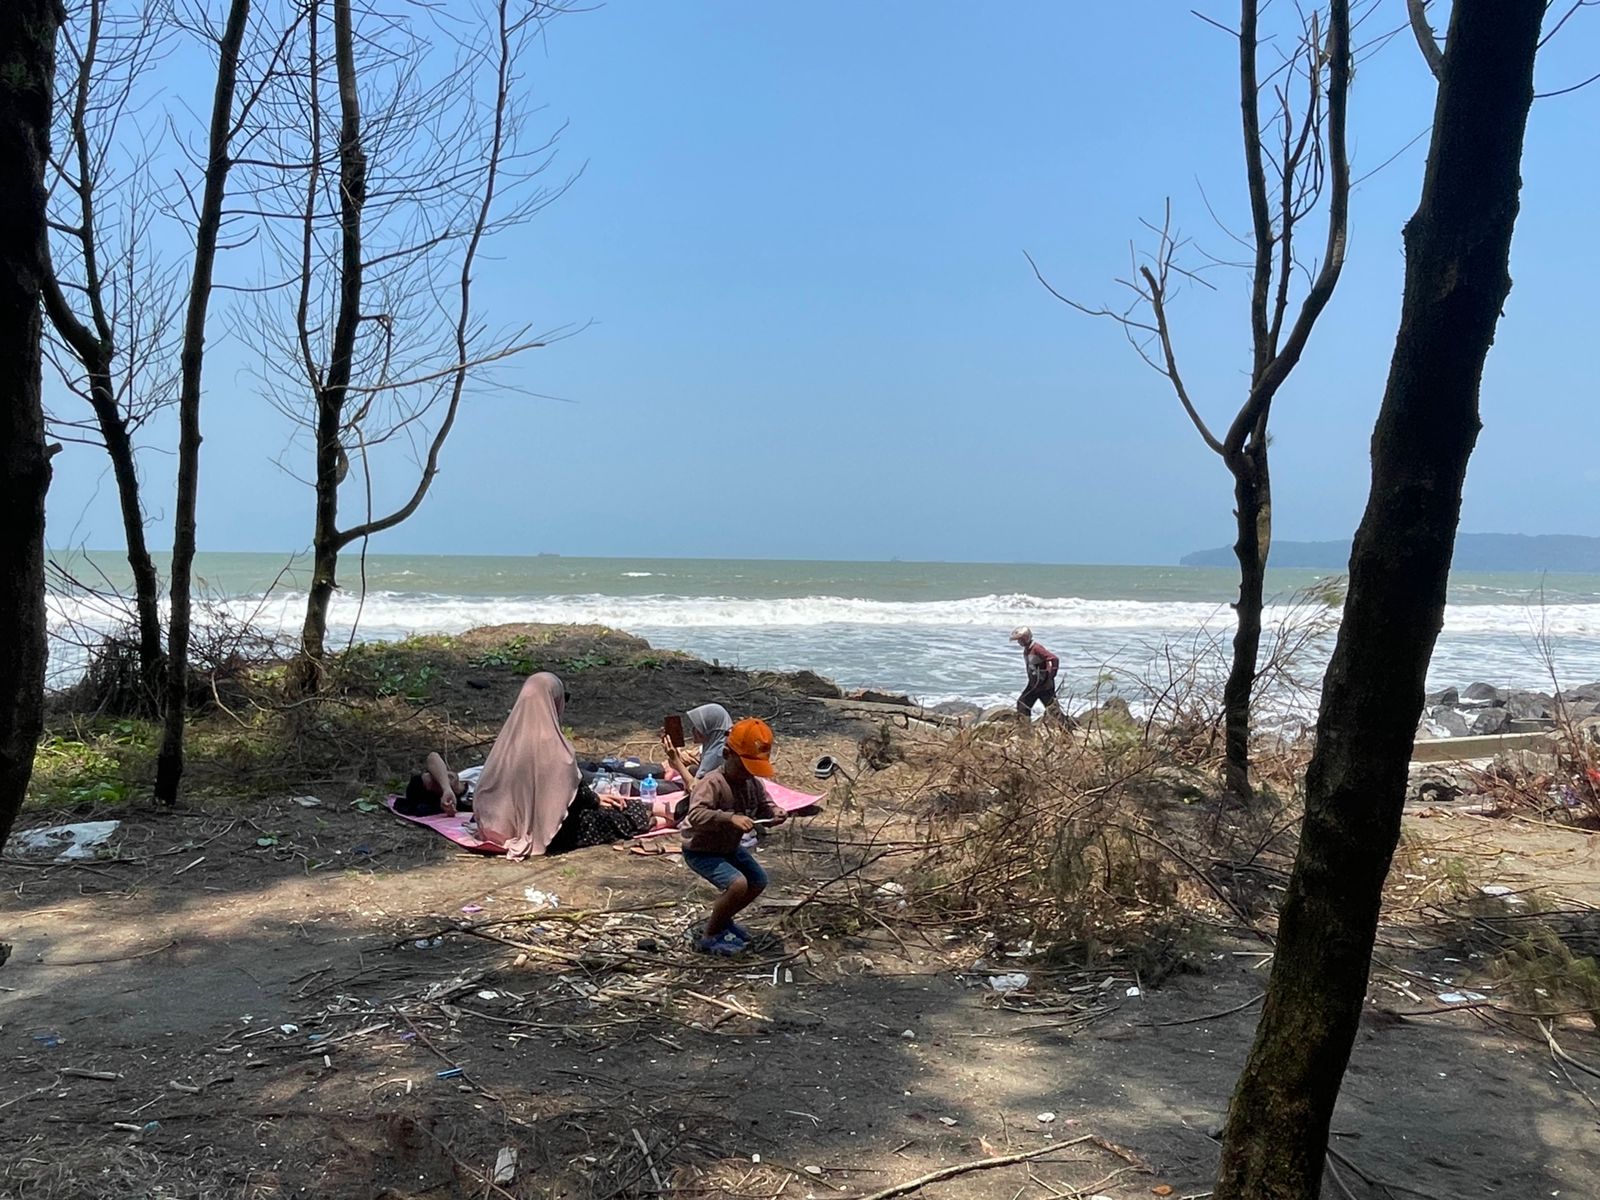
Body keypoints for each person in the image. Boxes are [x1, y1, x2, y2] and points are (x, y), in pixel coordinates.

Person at [464, 673, 672, 858]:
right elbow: (571, 796)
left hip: (496, 826)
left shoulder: (507, 739)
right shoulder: (551, 745)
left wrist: (597, 798)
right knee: (607, 818)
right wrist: (596, 800)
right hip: (544, 830)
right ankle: (662, 819)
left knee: (609, 806)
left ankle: (660, 812)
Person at [680, 717, 786, 956]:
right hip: (701, 849)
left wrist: (774, 813)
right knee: (737, 884)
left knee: (758, 880)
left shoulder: (752, 784)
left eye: (754, 770)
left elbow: (763, 805)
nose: (748, 774)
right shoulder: (713, 782)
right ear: (727, 754)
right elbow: (696, 814)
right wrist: (729, 818)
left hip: (728, 847)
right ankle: (710, 935)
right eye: (744, 767)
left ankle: (724, 918)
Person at [660, 703, 733, 784]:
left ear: (710, 730)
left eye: (699, 727)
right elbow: (688, 758)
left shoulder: (718, 755)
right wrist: (673, 751)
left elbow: (696, 789)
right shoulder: (714, 744)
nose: (693, 730)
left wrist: (675, 760)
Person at [1009, 626, 1065, 721]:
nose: (1019, 643)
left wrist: (1052, 674)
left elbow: (1054, 658)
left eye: (1020, 640)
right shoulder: (1027, 650)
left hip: (1043, 684)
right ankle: (1026, 731)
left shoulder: (1037, 648)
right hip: (1033, 684)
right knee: (1023, 704)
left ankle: (1067, 728)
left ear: (1026, 638)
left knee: (1053, 710)